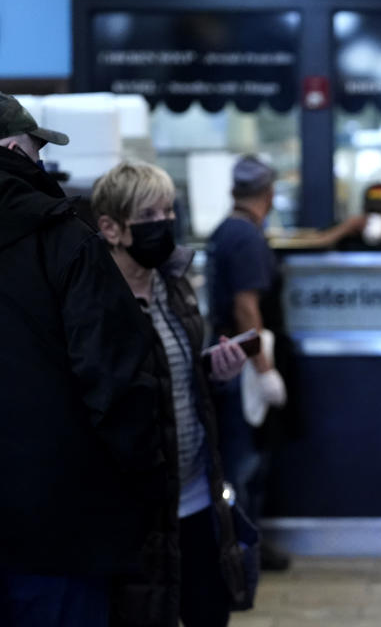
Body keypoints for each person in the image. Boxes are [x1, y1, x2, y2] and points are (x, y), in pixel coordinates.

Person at [0, 93, 161, 626]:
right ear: (10, 150)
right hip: (58, 532)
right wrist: (143, 492)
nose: (42, 163)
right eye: (34, 150)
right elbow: (117, 385)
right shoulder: (65, 243)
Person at [92, 160, 253, 626]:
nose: (163, 225)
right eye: (149, 216)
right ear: (112, 228)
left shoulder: (176, 287)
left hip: (198, 493)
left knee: (208, 611)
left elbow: (180, 378)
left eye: (168, 212)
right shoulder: (94, 301)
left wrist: (217, 373)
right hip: (136, 508)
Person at [206, 155, 364, 570]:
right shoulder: (245, 239)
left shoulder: (233, 231)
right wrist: (265, 370)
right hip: (244, 367)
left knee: (248, 459)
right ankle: (237, 551)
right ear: (270, 194)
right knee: (244, 462)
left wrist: (339, 234)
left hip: (237, 362)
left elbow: (299, 244)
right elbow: (246, 309)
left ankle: (248, 546)